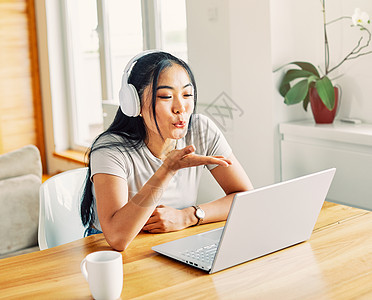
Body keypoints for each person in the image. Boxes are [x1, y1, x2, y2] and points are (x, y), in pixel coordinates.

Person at [80, 50, 253, 251]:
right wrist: (167, 169)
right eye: (166, 96)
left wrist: (187, 216)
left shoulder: (200, 129)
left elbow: (245, 198)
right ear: (133, 103)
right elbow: (117, 237)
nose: (181, 107)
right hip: (109, 252)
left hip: (172, 241)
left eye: (187, 94)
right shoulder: (110, 150)